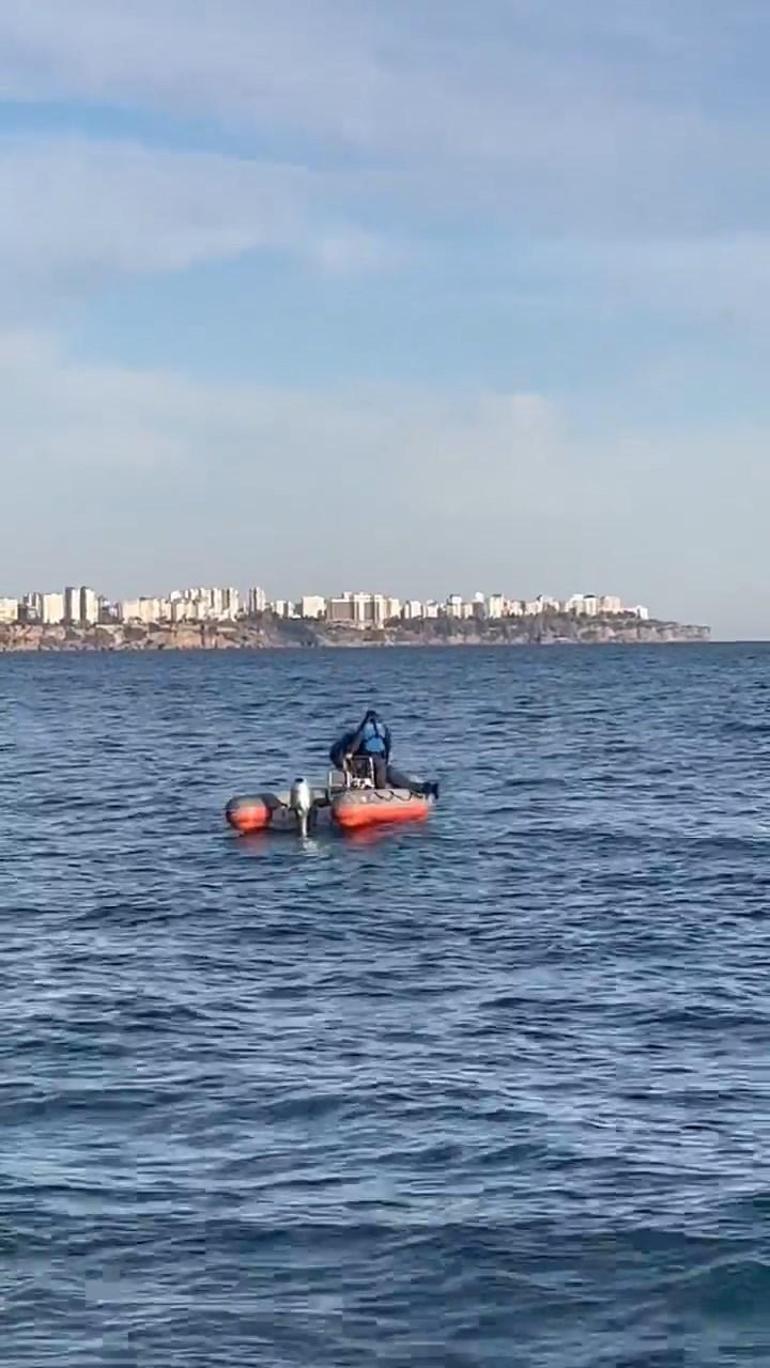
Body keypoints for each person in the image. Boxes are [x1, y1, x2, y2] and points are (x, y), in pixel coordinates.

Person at [329, 710, 438, 798]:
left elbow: (350, 750)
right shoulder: (382, 732)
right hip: (378, 765)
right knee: (393, 779)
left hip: (368, 769)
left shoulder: (357, 736)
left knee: (389, 780)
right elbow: (387, 747)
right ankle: (424, 788)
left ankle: (423, 788)